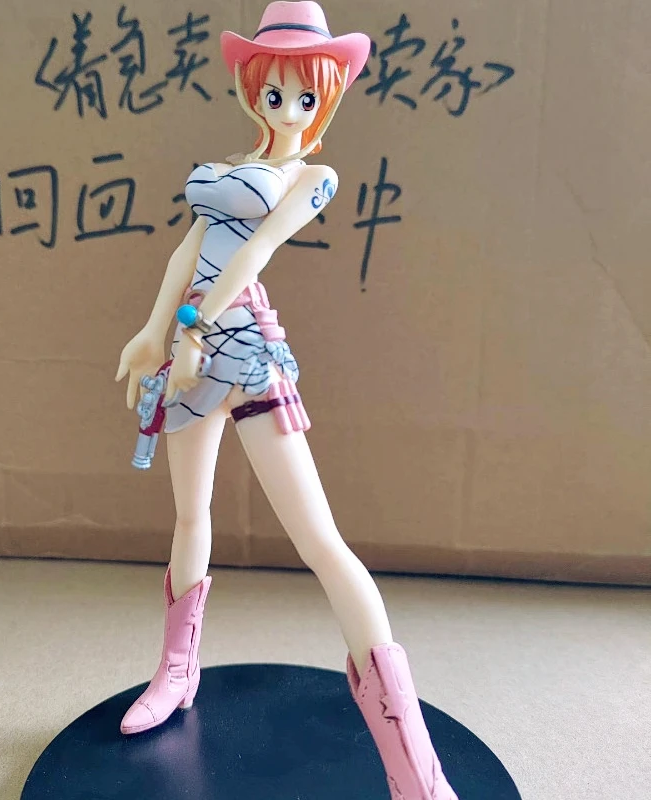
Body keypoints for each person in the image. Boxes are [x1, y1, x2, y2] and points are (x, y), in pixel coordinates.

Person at [115, 3, 458, 798]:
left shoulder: (312, 177)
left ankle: (415, 770)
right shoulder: (228, 167)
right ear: (251, 90)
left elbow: (259, 248)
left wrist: (197, 327)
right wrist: (153, 331)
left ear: (328, 98)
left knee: (322, 543)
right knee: (190, 517)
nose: (290, 110)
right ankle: (177, 672)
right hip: (189, 355)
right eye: (275, 93)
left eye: (307, 96)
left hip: (243, 349)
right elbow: (190, 248)